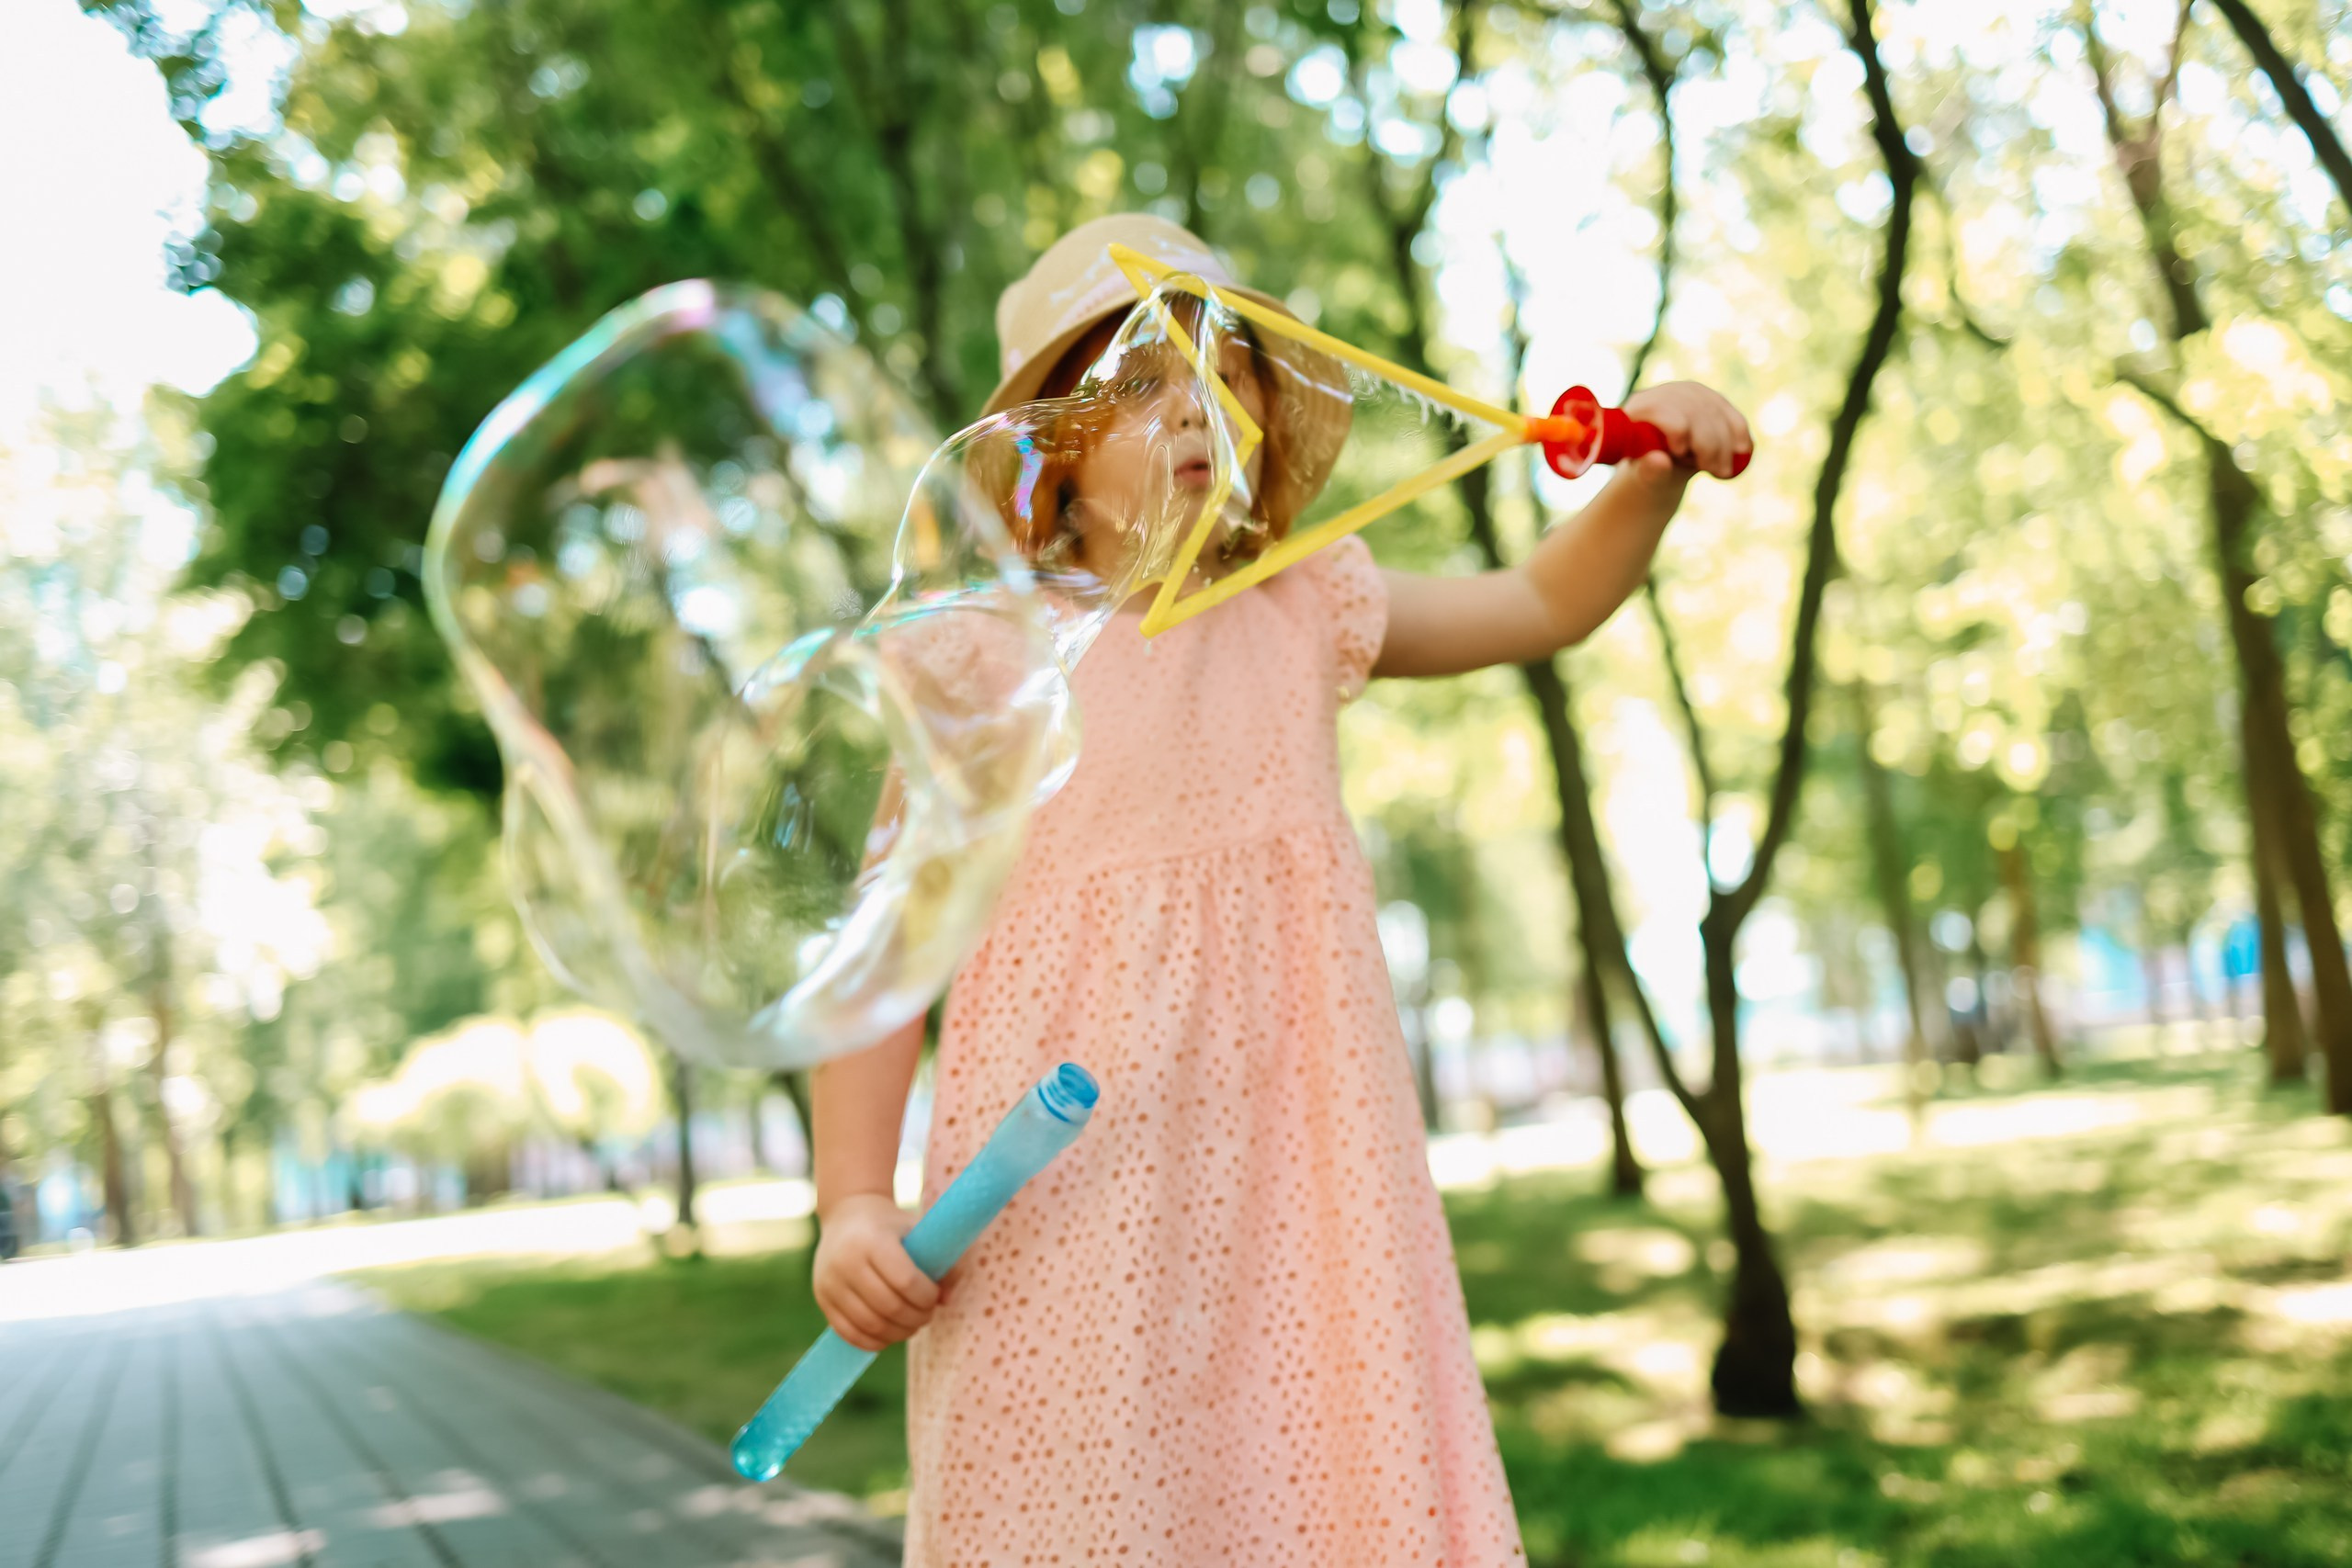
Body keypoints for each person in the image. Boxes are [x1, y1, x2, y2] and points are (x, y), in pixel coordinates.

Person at [809, 213, 1750, 1564]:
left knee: (1314, 1501)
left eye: (1223, 370)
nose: (1192, 404)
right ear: (1047, 463)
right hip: (1068, 1206)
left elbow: (1542, 601)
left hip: (1302, 1191)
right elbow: (881, 954)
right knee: (1087, 1509)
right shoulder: (983, 665)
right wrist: (853, 1199)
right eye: (1133, 382)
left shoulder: (1303, 603)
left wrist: (1652, 461)